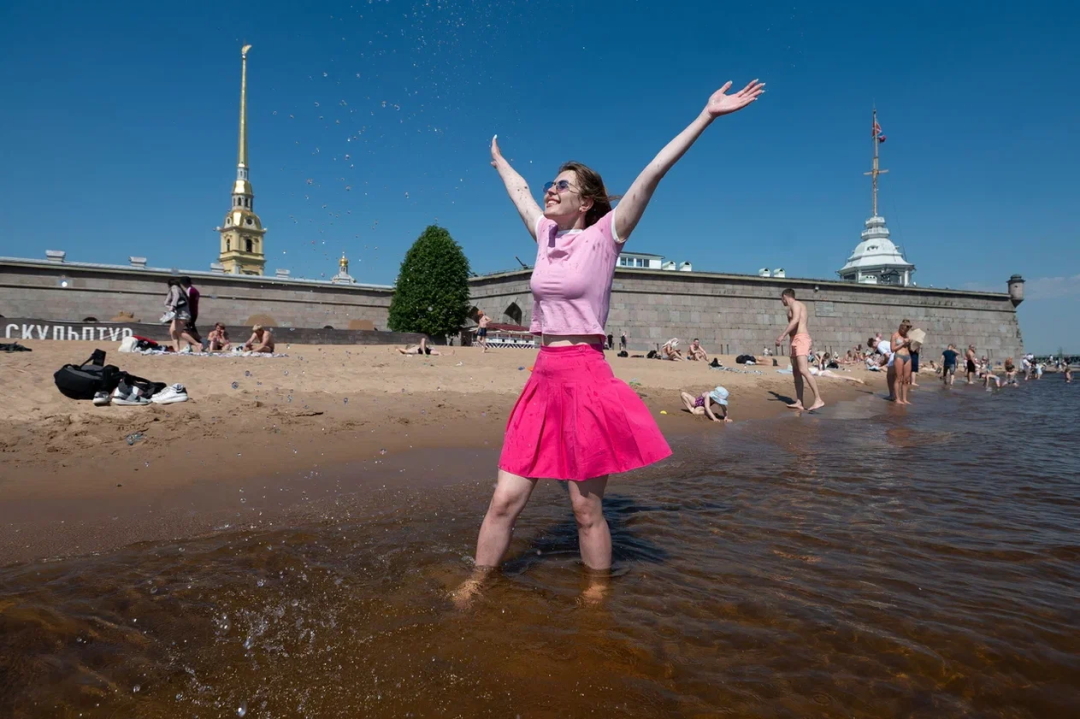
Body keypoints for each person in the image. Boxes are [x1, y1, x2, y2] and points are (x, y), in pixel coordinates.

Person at [454, 77, 764, 607]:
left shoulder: (607, 235)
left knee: (584, 509)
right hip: (543, 378)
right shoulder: (545, 235)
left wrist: (706, 116)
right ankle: (477, 583)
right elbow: (522, 193)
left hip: (587, 379)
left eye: (563, 186)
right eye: (551, 184)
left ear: (587, 202)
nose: (551, 190)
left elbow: (652, 174)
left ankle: (597, 595)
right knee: (505, 500)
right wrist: (500, 164)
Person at [775, 288, 824, 411]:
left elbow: (796, 320)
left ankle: (818, 399)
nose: (782, 302)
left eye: (782, 299)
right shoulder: (793, 307)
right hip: (794, 340)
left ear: (785, 296)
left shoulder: (796, 304)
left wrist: (782, 335)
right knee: (796, 372)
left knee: (803, 369)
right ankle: (799, 401)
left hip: (801, 339)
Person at [891, 320, 914, 405]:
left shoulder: (907, 335)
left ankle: (904, 399)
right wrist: (902, 344)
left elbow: (911, 348)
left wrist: (910, 343)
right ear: (901, 327)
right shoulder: (895, 335)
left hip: (908, 356)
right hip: (899, 356)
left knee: (906, 379)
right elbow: (892, 349)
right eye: (905, 328)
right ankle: (897, 398)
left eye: (907, 329)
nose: (906, 330)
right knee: (898, 378)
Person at [178, 276, 203, 352]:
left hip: (190, 313)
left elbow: (187, 302)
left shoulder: (190, 291)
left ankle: (201, 342)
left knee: (186, 330)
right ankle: (189, 345)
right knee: (190, 330)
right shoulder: (195, 290)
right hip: (194, 312)